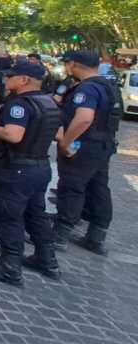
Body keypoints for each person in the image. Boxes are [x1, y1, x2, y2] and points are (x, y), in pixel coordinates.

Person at [0, 62, 62, 286]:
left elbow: (13, 135)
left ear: (24, 80)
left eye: (11, 76)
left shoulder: (19, 104)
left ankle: (9, 266)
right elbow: (58, 133)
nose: (6, 80)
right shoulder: (49, 102)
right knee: (35, 214)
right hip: (39, 166)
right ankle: (47, 259)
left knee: (8, 216)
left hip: (17, 168)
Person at [54, 50, 123, 256]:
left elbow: (84, 118)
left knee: (72, 187)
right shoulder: (108, 86)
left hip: (85, 146)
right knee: (99, 188)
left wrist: (66, 142)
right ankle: (96, 236)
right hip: (103, 145)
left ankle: (60, 235)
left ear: (74, 64)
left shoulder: (88, 88)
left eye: (67, 64)